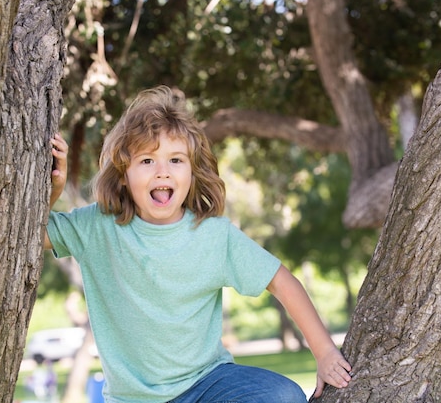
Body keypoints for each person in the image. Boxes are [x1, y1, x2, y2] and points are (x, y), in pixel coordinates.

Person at [45, 85, 352, 403]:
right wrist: (55, 188)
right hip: (132, 399)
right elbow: (34, 236)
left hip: (209, 384)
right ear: (123, 174)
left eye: (175, 160)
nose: (163, 171)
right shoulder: (97, 226)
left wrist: (325, 352)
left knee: (284, 395)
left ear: (191, 171)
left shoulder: (214, 235)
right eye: (148, 160)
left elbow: (282, 281)